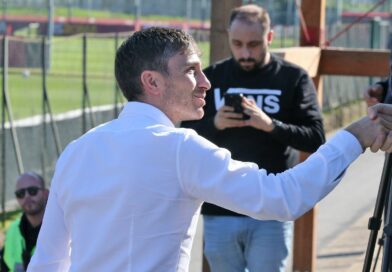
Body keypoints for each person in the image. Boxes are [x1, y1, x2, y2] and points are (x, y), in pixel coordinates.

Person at [28, 27, 392, 272]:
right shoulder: (179, 148)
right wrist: (354, 137)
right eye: (191, 70)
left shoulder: (76, 150)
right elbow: (282, 197)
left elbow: (46, 262)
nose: (206, 82)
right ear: (151, 81)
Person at [181, 4, 324, 271]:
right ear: (228, 38)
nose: (245, 53)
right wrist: (215, 123)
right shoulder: (212, 78)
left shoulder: (293, 78)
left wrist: (271, 125)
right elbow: (184, 138)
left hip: (271, 205)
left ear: (269, 38)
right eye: (237, 44)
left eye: (254, 44)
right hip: (220, 206)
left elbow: (316, 138)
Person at [1, 172, 49, 272]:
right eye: (20, 193)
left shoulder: (61, 229)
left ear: (46, 194)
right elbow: (5, 266)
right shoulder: (13, 230)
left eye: (32, 191)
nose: (26, 196)